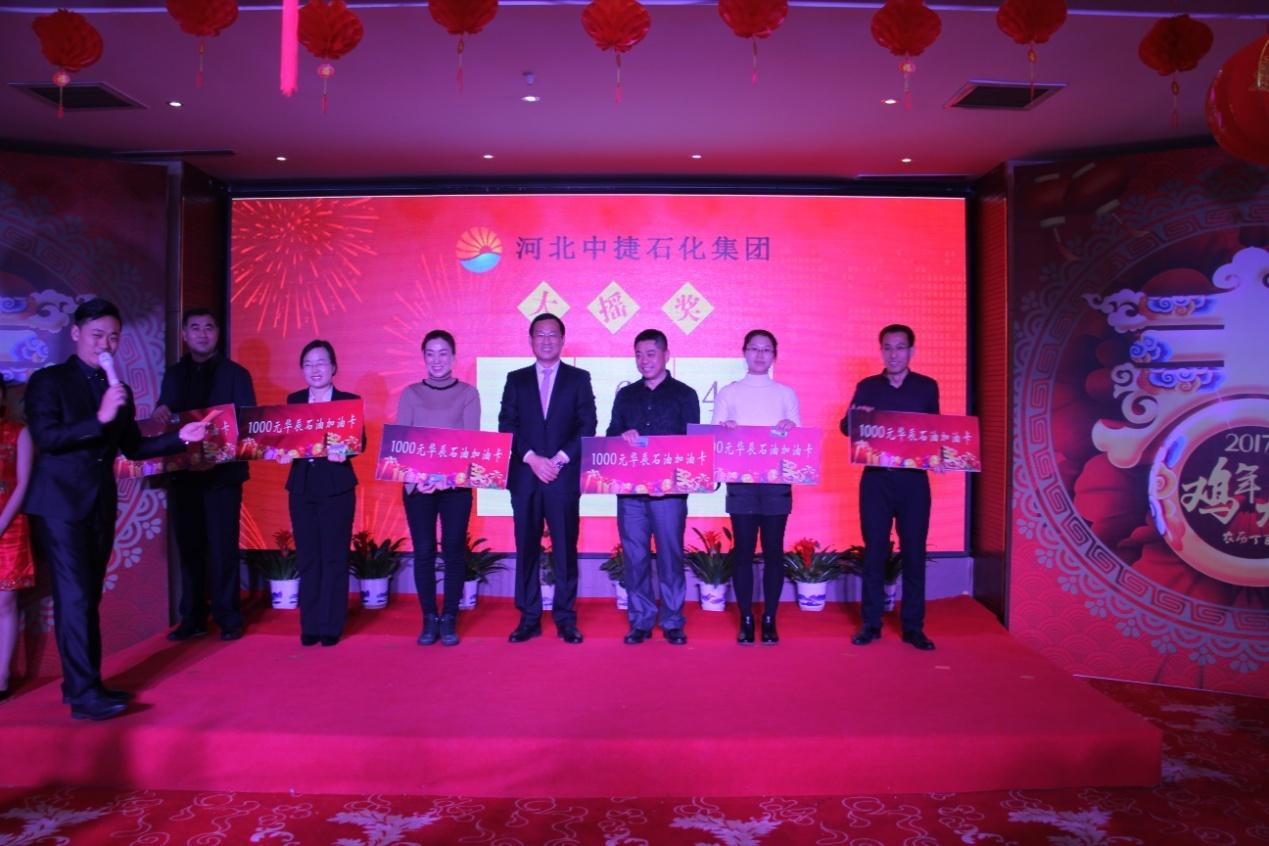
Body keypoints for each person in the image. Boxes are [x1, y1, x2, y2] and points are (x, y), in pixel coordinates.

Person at [23, 298, 207, 721]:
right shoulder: (49, 381)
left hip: (100, 503)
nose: (105, 344)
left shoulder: (116, 387)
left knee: (87, 597)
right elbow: (48, 438)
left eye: (113, 337)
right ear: (76, 333)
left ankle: (82, 685)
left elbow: (135, 447)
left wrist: (183, 436)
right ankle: (85, 696)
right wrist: (100, 417)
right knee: (74, 597)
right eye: (97, 335)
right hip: (59, 504)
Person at [155, 309, 256, 643]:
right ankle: (193, 617)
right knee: (190, 548)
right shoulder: (173, 375)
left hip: (222, 476)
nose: (202, 334)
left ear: (218, 334)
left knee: (223, 547)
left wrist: (217, 451)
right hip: (183, 475)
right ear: (184, 334)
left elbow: (247, 425)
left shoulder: (236, 374)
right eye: (195, 328)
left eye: (209, 328)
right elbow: (165, 418)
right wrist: (160, 412)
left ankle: (229, 617)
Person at [498, 313, 596, 644]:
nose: (546, 340)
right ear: (530, 340)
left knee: (565, 548)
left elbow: (587, 424)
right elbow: (507, 424)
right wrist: (532, 459)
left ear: (562, 340)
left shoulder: (578, 379)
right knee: (526, 548)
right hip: (526, 477)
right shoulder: (516, 379)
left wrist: (558, 459)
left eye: (552, 335)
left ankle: (565, 618)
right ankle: (529, 617)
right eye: (540, 335)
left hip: (562, 477)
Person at [842, 324, 940, 651]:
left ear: (911, 351)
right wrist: (857, 415)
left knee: (914, 552)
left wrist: (939, 456)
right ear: (881, 351)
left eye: (900, 347)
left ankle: (914, 627)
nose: (894, 354)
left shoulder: (926, 387)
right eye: (887, 347)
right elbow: (846, 427)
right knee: (875, 552)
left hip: (914, 481)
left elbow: (935, 430)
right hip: (876, 479)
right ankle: (871, 624)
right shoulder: (868, 386)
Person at [607, 329, 699, 646]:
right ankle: (641, 620)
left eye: (650, 353)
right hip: (630, 492)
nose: (644, 360)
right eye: (638, 354)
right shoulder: (626, 395)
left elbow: (692, 445)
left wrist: (671, 481)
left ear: (665, 355)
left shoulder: (685, 394)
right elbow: (610, 436)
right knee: (635, 558)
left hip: (668, 494)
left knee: (671, 556)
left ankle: (672, 621)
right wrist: (622, 437)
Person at [712, 329, 800, 645]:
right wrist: (725, 430)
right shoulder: (729, 393)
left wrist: (791, 429)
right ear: (744, 352)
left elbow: (799, 445)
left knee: (774, 551)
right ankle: (747, 618)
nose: (760, 355)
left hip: (776, 485)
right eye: (754, 348)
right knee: (743, 552)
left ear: (774, 355)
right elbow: (715, 440)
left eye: (766, 349)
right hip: (741, 484)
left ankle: (770, 618)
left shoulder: (786, 394)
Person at [395, 329, 480, 647]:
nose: (437, 359)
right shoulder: (410, 393)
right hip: (418, 487)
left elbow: (471, 444)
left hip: (455, 488)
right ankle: (429, 617)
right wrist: (420, 478)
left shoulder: (468, 393)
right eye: (430, 353)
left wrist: (444, 479)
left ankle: (450, 617)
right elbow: (402, 444)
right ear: (423, 357)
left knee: (454, 551)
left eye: (443, 353)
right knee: (424, 551)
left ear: (454, 357)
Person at [281, 340, 360, 648]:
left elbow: (360, 441)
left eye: (321, 363)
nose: (315, 369)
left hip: (336, 487)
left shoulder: (348, 402)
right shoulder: (294, 400)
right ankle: (310, 624)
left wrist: (347, 451)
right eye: (309, 364)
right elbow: (285, 439)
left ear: (333, 367)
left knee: (334, 557)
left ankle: (331, 625)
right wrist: (280, 451)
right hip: (301, 487)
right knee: (308, 557)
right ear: (302, 370)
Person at [0, 379, 34, 703]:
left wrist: (1, 523)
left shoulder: (17, 432)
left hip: (9, 525)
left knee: (5, 603)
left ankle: (2, 677)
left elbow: (23, 483)